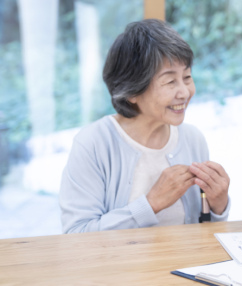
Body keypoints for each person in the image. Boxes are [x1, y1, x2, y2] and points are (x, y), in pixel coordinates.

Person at [60, 19, 230, 233]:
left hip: (186, 266)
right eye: (170, 82)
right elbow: (76, 234)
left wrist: (218, 204)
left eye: (187, 77)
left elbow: (205, 233)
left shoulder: (193, 139)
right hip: (121, 267)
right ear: (132, 91)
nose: (185, 92)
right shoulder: (93, 143)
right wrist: (150, 204)